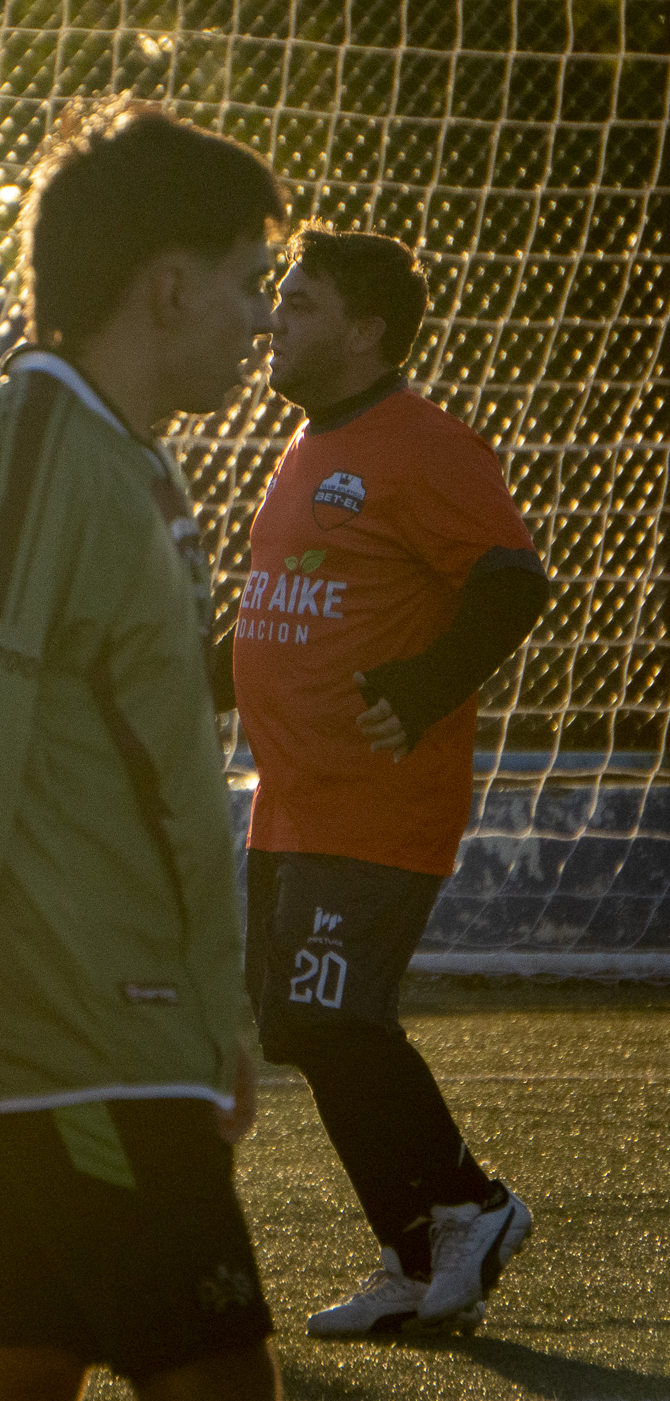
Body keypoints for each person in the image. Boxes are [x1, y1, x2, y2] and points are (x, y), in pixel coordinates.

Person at [0, 99, 284, 1401]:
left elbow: (144, 771)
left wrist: (211, 1008)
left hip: (128, 1024)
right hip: (81, 1030)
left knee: (11, 1363)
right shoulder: (36, 446)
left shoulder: (120, 460)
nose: (257, 317)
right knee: (217, 1376)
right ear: (165, 287)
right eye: (243, 282)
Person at [226, 227, 545, 1338]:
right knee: (298, 1023)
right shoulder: (306, 445)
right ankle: (416, 1255)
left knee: (329, 1013)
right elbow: (280, 613)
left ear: (364, 329)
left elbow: (512, 583)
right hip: (291, 795)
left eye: (301, 301)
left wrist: (422, 686)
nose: (275, 318)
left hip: (376, 795)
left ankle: (475, 1201)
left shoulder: (427, 444)